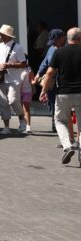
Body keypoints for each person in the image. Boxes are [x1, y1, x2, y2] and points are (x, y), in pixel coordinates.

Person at [40, 27, 81, 164]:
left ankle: (68, 146)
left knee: (60, 121)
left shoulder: (59, 52)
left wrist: (44, 91)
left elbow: (49, 73)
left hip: (63, 93)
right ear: (80, 38)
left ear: (67, 38)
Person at [0, 23, 28, 135]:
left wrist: (10, 65)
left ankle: (22, 120)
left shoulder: (18, 47)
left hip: (14, 79)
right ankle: (6, 127)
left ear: (7, 35)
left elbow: (23, 63)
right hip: (2, 78)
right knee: (3, 103)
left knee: (13, 100)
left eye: (0, 33)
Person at [35, 28, 68, 134]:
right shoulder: (51, 49)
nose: (53, 44)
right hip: (52, 83)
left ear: (62, 38)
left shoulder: (68, 49)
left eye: (55, 41)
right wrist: (38, 74)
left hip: (65, 83)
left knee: (65, 106)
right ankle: (55, 125)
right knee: (52, 104)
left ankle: (66, 128)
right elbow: (45, 63)